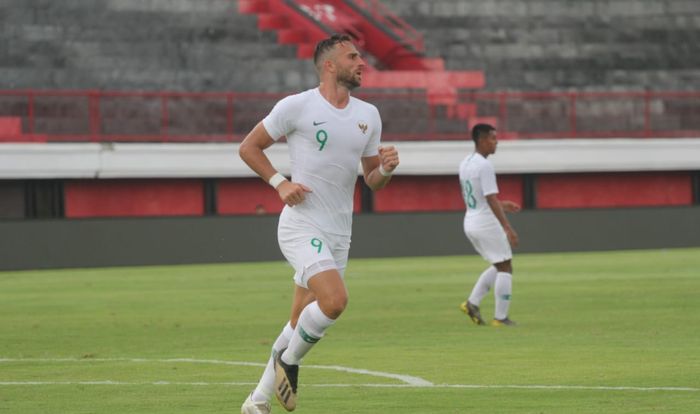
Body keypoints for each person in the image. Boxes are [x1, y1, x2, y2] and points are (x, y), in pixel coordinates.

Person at [238, 33, 399, 413]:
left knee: (297, 323)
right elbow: (249, 147)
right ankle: (289, 363)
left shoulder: (368, 116)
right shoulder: (297, 106)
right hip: (301, 224)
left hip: (340, 230)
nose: (362, 63)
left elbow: (372, 180)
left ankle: (256, 403)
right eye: (353, 56)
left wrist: (387, 170)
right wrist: (280, 183)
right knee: (335, 300)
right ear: (329, 65)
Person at [458, 123, 520, 327]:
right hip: (485, 223)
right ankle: (500, 318)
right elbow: (490, 199)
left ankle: (472, 303)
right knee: (506, 266)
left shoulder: (466, 163)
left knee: (498, 263)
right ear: (482, 140)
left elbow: (478, 198)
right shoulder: (485, 165)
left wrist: (504, 206)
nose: (496, 142)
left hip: (471, 220)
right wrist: (507, 227)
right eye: (493, 138)